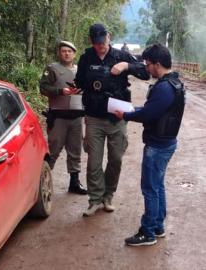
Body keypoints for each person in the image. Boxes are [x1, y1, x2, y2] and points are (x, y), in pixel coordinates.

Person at [74, 23, 150, 216]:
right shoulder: (86, 58)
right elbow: (80, 82)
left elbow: (145, 72)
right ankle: (95, 199)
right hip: (93, 117)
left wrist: (127, 66)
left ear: (109, 36)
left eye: (104, 41)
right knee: (93, 162)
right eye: (97, 42)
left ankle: (108, 196)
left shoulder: (121, 56)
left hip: (117, 117)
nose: (101, 45)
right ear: (92, 41)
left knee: (115, 159)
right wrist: (78, 87)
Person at [114, 43, 185, 246]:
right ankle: (158, 226)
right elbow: (154, 110)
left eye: (148, 64)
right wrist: (133, 110)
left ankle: (148, 232)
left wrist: (126, 114)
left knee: (150, 188)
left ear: (158, 64)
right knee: (157, 186)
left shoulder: (164, 88)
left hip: (158, 145)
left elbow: (149, 114)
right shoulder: (175, 83)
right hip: (166, 142)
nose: (146, 67)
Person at [40, 40, 87, 194]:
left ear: (74, 53)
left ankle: (74, 182)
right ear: (59, 53)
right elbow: (43, 88)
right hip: (58, 116)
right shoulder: (52, 69)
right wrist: (60, 91)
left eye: (69, 51)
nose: (66, 54)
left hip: (76, 117)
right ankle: (42, 183)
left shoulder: (81, 70)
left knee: (75, 150)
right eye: (63, 51)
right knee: (53, 149)